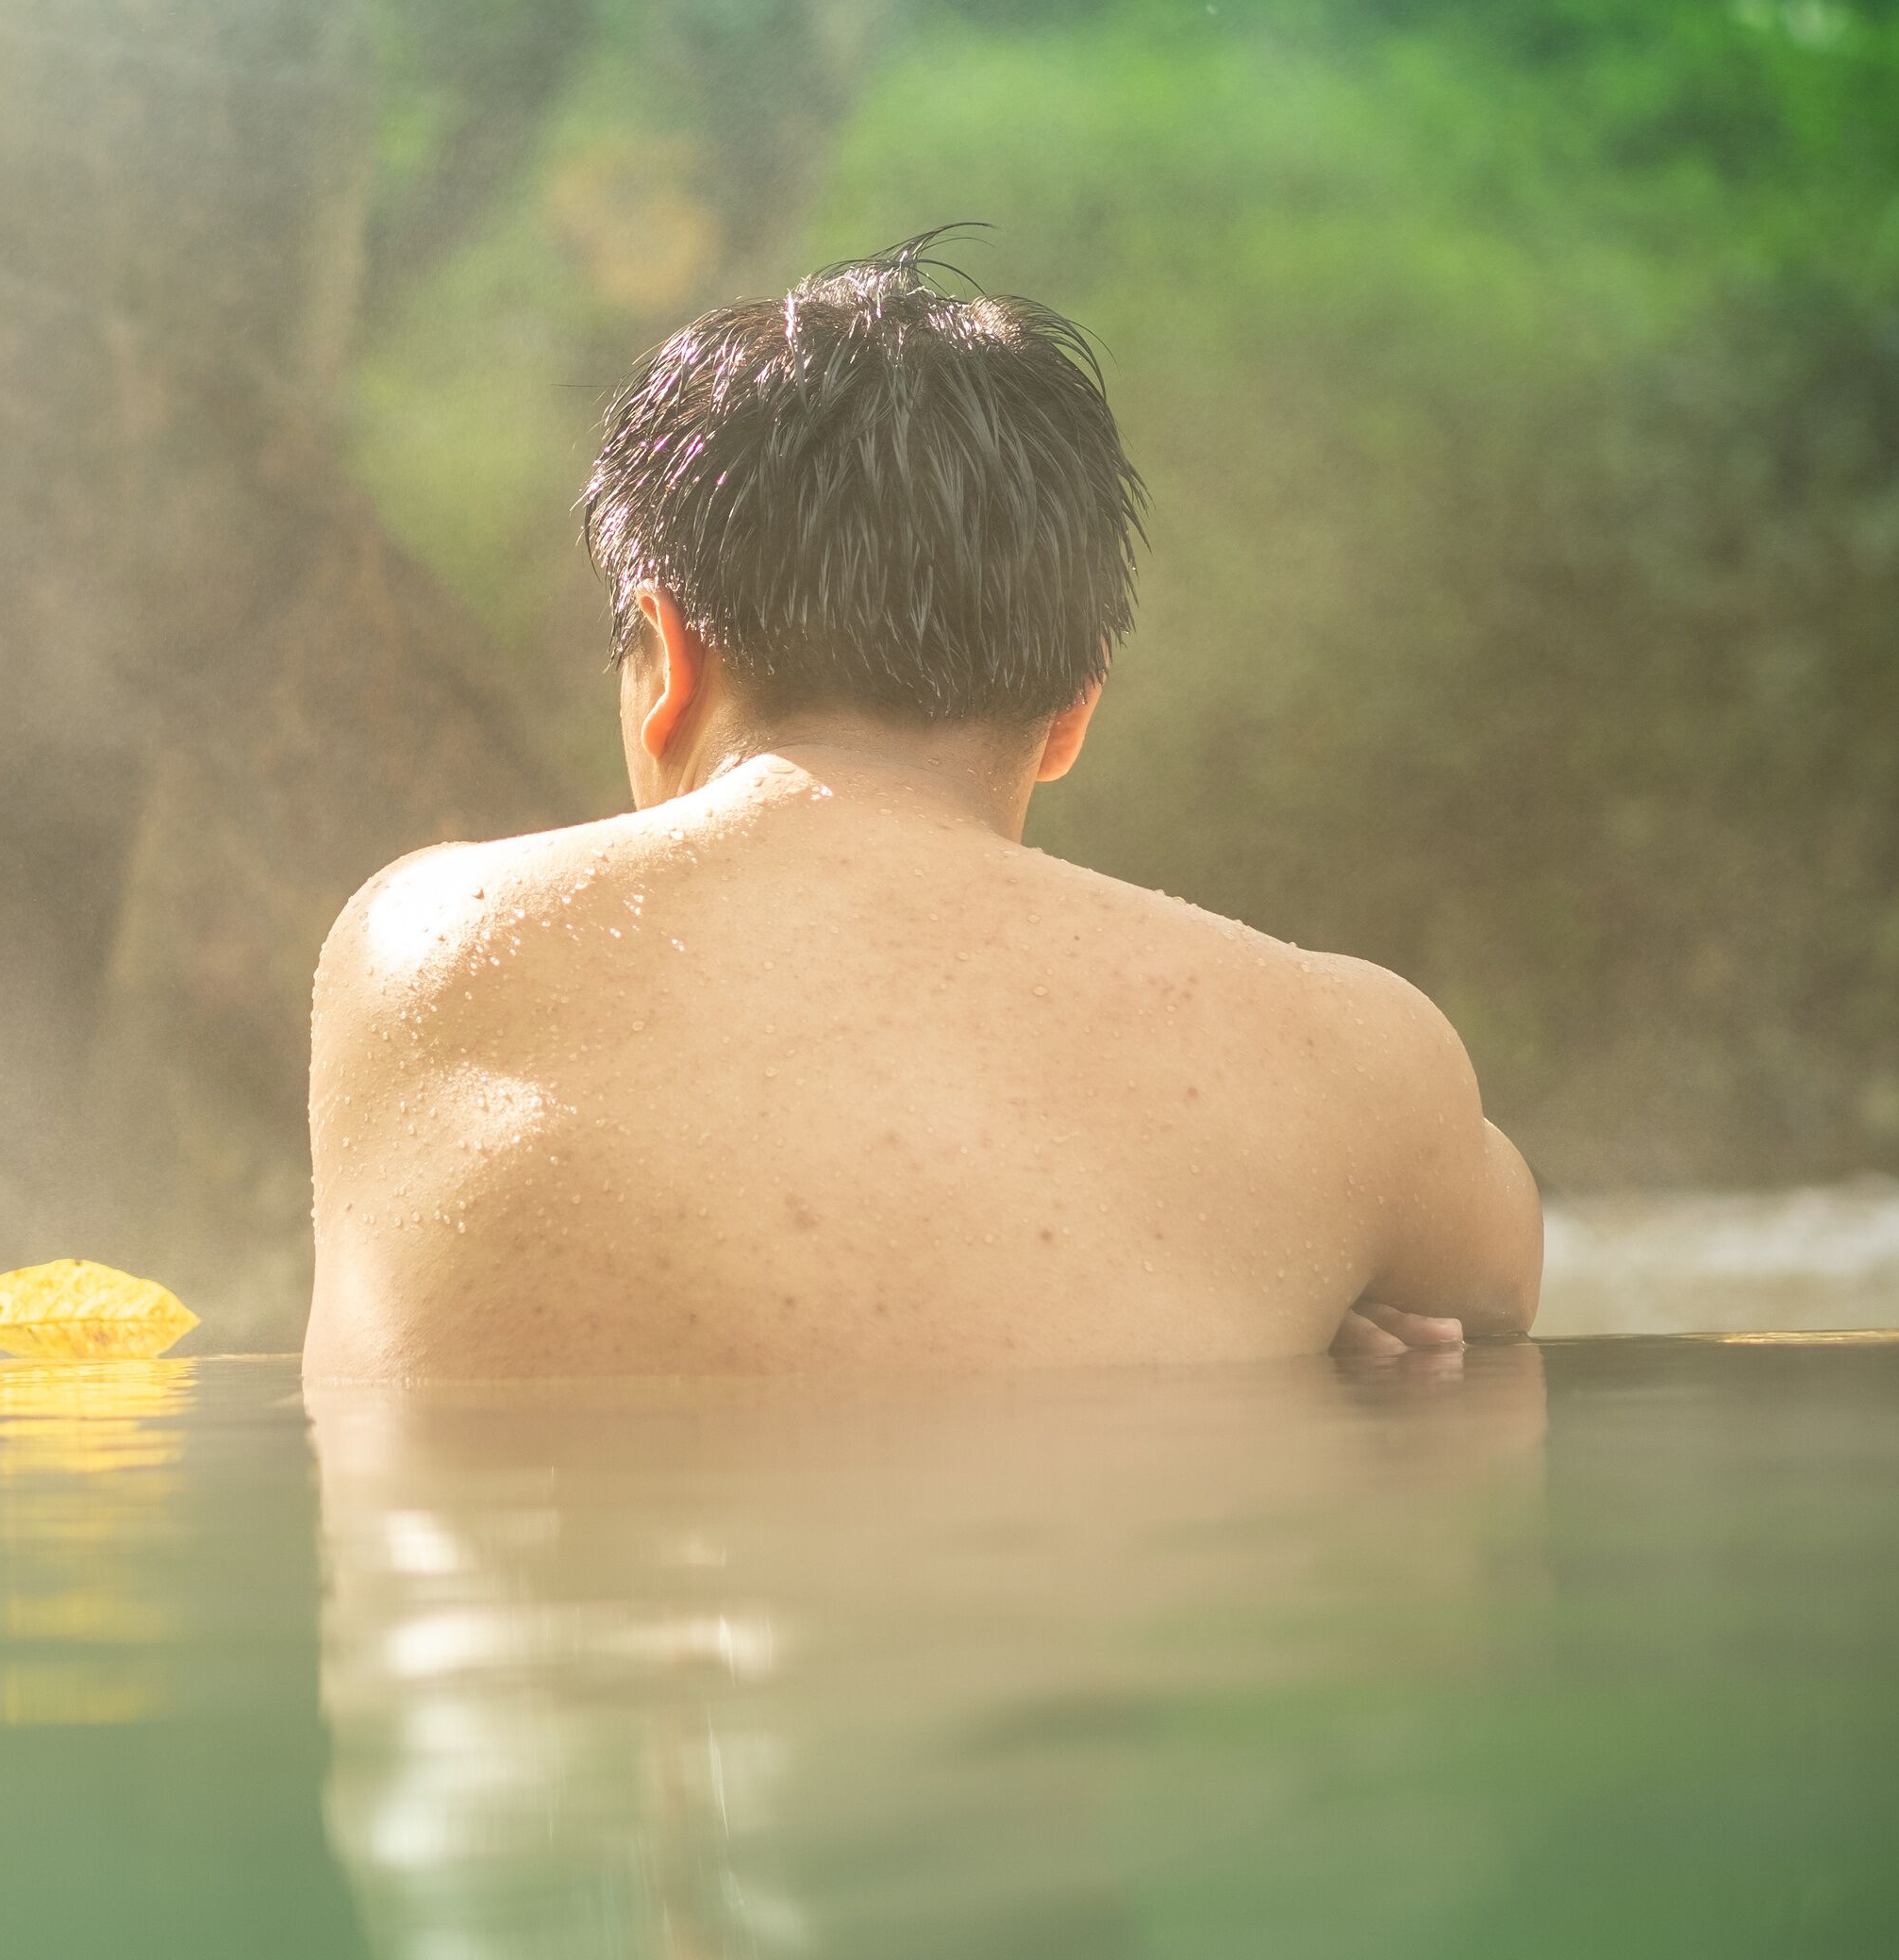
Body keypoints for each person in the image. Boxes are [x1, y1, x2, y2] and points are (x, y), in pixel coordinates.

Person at [301, 237, 1541, 1378]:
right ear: (1072, 712)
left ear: (669, 657)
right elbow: (1494, 1290)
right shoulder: (1350, 1058)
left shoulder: (422, 947)